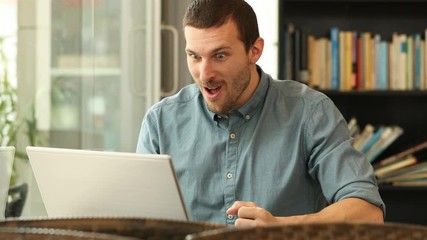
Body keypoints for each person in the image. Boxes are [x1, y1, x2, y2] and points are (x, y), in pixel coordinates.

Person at [137, 0, 385, 227]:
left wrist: (280, 228)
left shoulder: (310, 112)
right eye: (194, 56)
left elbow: (368, 212)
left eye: (220, 55)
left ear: (254, 50)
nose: (204, 74)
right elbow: (139, 218)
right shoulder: (160, 121)